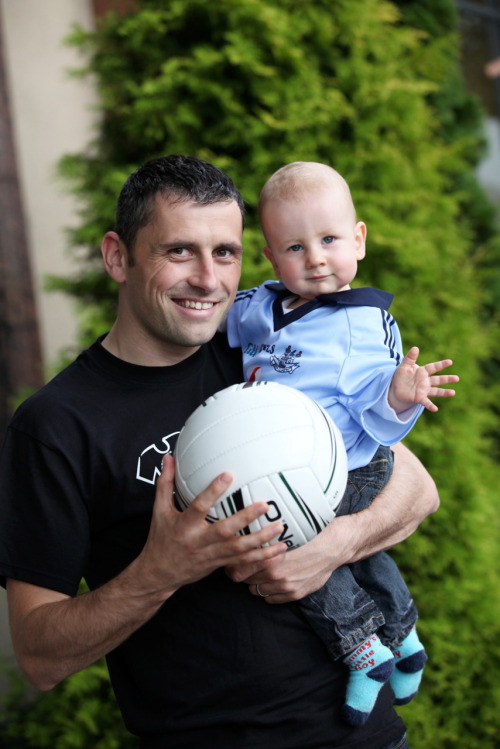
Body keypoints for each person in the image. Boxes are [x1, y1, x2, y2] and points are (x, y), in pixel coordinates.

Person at [0, 155, 439, 749]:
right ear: (117, 256)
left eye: (225, 252)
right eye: (178, 251)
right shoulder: (57, 426)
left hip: (366, 738)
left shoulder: (268, 357)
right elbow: (38, 655)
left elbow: (413, 486)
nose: (209, 279)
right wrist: (160, 572)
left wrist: (331, 547)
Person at [225, 161, 458, 727]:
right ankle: (403, 637)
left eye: (329, 240)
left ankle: (361, 648)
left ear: (358, 239)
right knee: (360, 550)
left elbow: (375, 406)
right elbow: (221, 325)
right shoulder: (260, 305)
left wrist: (401, 395)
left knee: (289, 540)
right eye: (295, 247)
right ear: (271, 258)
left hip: (350, 466)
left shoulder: (364, 324)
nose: (316, 258)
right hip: (292, 462)